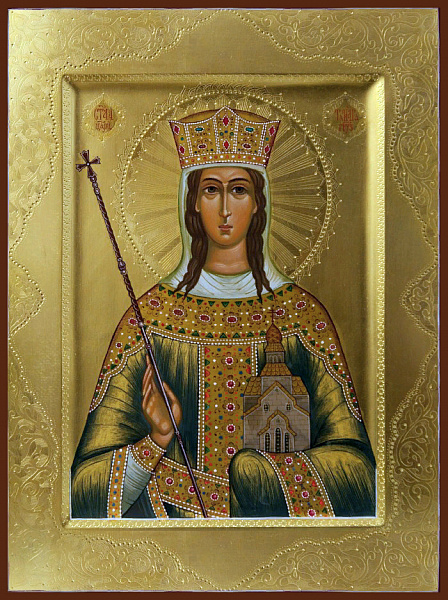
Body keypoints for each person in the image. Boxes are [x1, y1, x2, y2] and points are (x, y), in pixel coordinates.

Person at [71, 107, 375, 519]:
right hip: (172, 537)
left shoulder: (303, 318)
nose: (226, 209)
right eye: (212, 190)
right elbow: (82, 491)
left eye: (239, 190)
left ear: (259, 203)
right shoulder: (150, 319)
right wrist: (157, 440)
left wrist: (258, 478)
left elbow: (360, 474)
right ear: (193, 202)